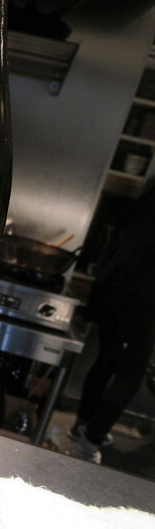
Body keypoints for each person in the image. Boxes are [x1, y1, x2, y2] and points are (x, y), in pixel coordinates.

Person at [68, 184, 155, 463]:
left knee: (108, 359)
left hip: (112, 281)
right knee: (132, 373)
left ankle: (83, 427)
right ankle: (87, 445)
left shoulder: (150, 193)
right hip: (140, 289)